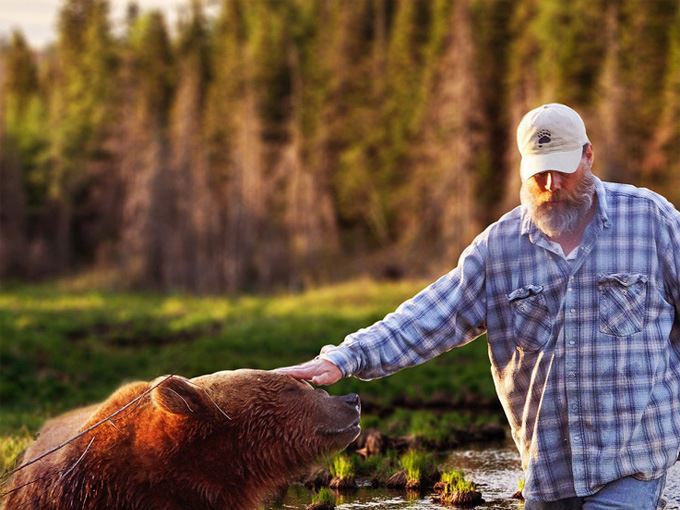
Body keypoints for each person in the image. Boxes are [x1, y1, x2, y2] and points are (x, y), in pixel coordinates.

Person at [275, 103, 679, 509]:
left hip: (633, 461)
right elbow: (429, 317)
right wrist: (346, 358)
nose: (552, 184)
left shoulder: (650, 220)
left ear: (588, 156)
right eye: (539, 173)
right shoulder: (498, 249)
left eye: (564, 169)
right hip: (549, 471)